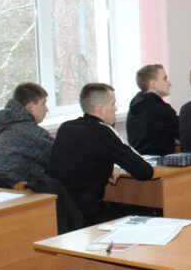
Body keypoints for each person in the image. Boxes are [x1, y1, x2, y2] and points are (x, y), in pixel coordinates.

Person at [48, 83, 154, 226]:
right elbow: (145, 171)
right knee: (145, 216)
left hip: (61, 211)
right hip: (85, 215)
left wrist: (109, 167)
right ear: (101, 109)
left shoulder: (66, 127)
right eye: (113, 104)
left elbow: (83, 161)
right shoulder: (101, 132)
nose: (115, 109)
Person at [0, 82, 53, 186]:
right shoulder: (30, 132)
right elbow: (60, 157)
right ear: (31, 107)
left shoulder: (0, 125)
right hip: (12, 191)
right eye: (43, 103)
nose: (46, 109)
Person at [126, 64, 179, 156]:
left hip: (138, 160)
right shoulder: (162, 109)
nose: (169, 83)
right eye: (165, 79)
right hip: (160, 162)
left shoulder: (134, 105)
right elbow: (184, 135)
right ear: (153, 83)